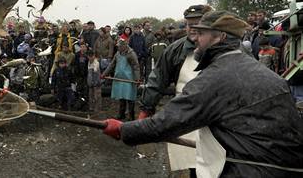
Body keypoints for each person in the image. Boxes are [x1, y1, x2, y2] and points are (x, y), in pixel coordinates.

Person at [102, 11, 303, 177]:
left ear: (220, 36)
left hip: (247, 169)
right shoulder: (264, 73)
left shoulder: (216, 76)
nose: (195, 38)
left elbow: (167, 122)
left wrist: (124, 130)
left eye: (201, 33)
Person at [138, 4, 212, 175]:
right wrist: (146, 109)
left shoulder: (223, 47)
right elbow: (157, 79)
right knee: (193, 163)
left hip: (216, 116)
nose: (192, 28)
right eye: (189, 24)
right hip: (187, 116)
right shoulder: (175, 50)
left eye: (198, 23)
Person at [102, 39, 140, 121]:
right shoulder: (117, 54)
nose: (118, 48)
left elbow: (136, 67)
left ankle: (131, 116)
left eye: (119, 46)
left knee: (129, 97)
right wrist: (104, 74)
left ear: (124, 46)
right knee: (121, 97)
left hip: (129, 79)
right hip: (119, 78)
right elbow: (112, 65)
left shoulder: (131, 54)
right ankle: (121, 114)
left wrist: (137, 78)